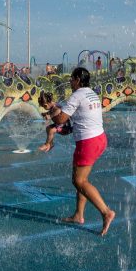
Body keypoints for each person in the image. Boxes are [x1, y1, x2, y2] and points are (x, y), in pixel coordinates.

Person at [48, 67, 115, 236]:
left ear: (78, 79)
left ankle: (106, 212)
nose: (70, 81)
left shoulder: (77, 95)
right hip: (99, 138)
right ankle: (79, 214)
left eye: (72, 78)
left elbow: (61, 119)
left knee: (78, 181)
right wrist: (57, 107)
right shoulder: (90, 93)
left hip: (88, 142)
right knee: (82, 179)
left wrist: (51, 112)